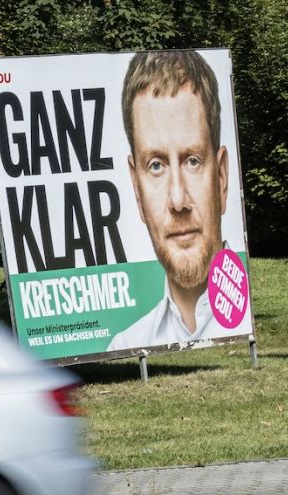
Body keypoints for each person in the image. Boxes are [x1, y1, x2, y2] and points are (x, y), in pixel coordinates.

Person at [106, 50, 233, 352]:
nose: (178, 200)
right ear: (137, 190)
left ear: (222, 178)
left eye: (192, 160)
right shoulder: (125, 347)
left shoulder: (246, 329)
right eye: (156, 166)